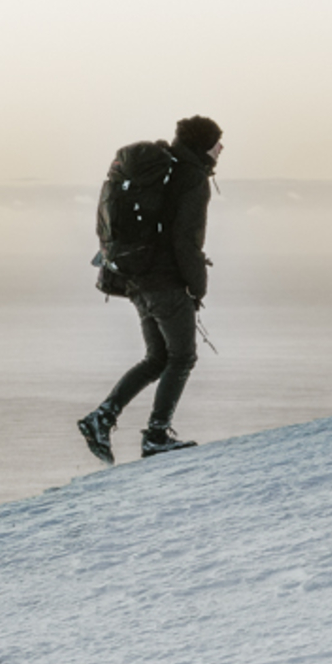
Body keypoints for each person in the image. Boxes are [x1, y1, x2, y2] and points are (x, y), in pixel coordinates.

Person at [79, 115, 222, 463]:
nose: (221, 148)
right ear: (204, 145)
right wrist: (197, 287)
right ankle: (156, 434)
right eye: (218, 142)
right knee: (183, 356)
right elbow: (185, 240)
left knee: (158, 358)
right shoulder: (191, 178)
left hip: (135, 278)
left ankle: (103, 417)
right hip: (164, 281)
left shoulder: (165, 169)